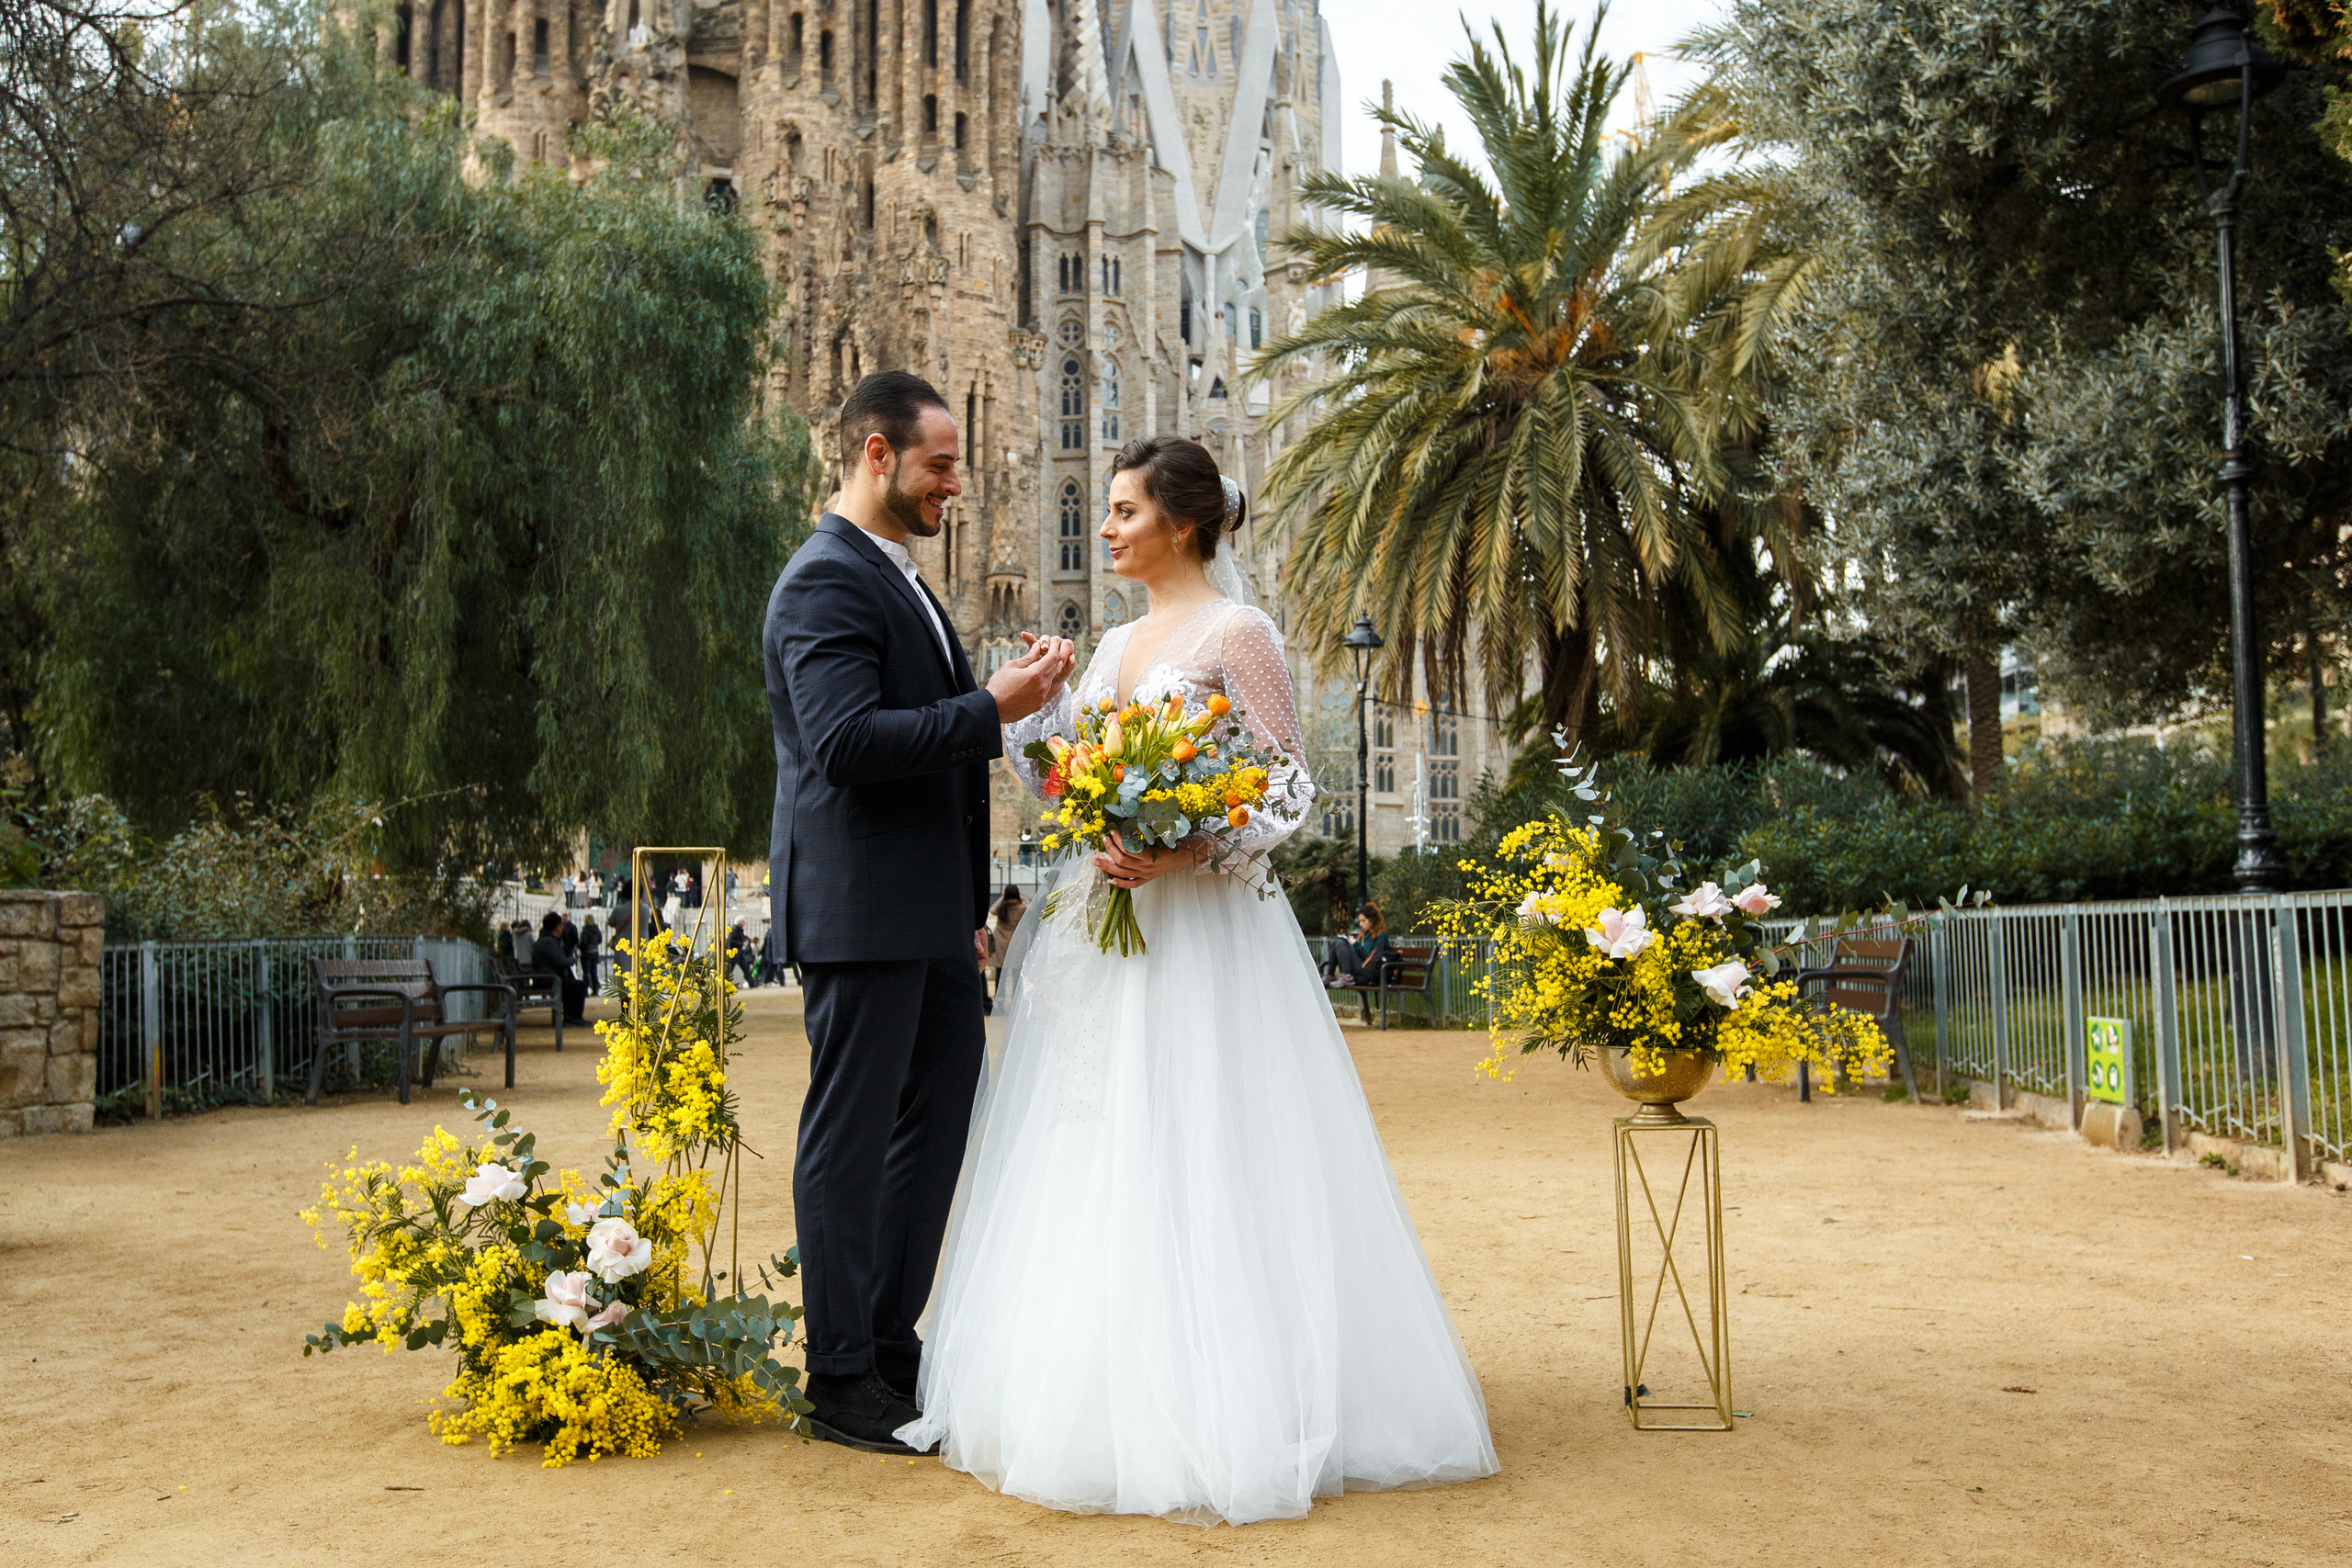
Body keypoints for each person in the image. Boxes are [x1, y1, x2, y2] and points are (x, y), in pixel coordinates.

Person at [899, 434, 1498, 1523]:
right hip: (1109, 929)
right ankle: (1100, 1390)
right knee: (1102, 1142)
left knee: (1207, 1137)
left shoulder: (1239, 632)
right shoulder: (1113, 641)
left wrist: (1185, 850)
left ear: (1180, 523)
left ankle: (1238, 1397)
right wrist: (1035, 717)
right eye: (1111, 510)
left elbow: (1285, 790)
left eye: (1124, 510)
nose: (1108, 525)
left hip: (1209, 936)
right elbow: (1061, 786)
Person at [764, 369, 1076, 1455]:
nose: (959, 480)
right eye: (941, 462)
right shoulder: (824, 581)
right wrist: (990, 706)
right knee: (851, 1138)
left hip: (934, 919)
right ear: (876, 456)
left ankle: (894, 1350)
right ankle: (840, 1372)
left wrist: (996, 702)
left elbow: (925, 725)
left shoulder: (897, 579)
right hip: (859, 914)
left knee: (937, 1126)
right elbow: (844, 744)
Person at [531, 910, 588, 1027]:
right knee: (579, 985)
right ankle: (574, 1017)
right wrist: (573, 959)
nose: (563, 927)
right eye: (562, 924)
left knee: (571, 983)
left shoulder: (546, 940)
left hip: (547, 977)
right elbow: (560, 961)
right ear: (557, 927)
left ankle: (570, 1016)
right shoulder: (549, 942)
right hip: (547, 979)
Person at [1322, 902, 1394, 985]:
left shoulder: (1381, 936)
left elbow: (1370, 956)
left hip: (1368, 970)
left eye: (1363, 921)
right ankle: (1330, 975)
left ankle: (1347, 976)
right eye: (1359, 921)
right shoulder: (1366, 935)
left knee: (1341, 944)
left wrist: (1355, 944)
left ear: (1372, 920)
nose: (1360, 924)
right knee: (1336, 942)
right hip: (1361, 967)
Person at [984, 885, 1025, 1013]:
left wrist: (1003, 898)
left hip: (1001, 942)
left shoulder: (1001, 907)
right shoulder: (1022, 907)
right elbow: (1029, 905)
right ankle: (1014, 1005)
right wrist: (1020, 898)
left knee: (1000, 974)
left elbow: (992, 910)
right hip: (1016, 943)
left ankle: (999, 1005)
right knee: (1015, 975)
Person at [724, 920, 760, 989]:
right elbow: (731, 941)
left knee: (745, 968)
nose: (744, 923)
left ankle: (751, 982)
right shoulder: (735, 929)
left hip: (739, 953)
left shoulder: (739, 929)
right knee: (730, 970)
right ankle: (724, 982)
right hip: (734, 954)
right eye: (743, 921)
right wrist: (742, 943)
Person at [580, 915, 604, 995]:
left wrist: (580, 946)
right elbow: (600, 939)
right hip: (595, 952)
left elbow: (583, 942)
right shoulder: (596, 929)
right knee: (594, 972)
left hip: (586, 952)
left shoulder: (585, 930)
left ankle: (586, 990)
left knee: (586, 972)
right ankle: (595, 989)